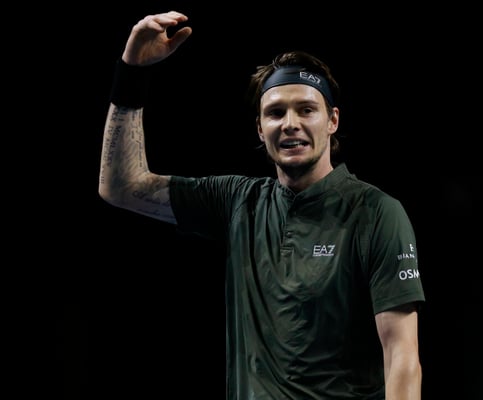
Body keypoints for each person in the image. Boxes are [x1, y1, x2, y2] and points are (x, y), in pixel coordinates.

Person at [99, 10, 426, 400]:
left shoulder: (376, 213)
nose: (289, 123)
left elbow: (402, 357)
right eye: (275, 112)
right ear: (260, 128)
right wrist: (132, 72)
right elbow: (122, 186)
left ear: (332, 121)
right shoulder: (238, 201)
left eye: (306, 109)